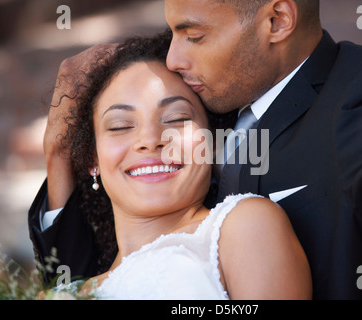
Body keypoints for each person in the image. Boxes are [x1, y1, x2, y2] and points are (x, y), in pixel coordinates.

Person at [29, 0, 362, 299]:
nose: (173, 58)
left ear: (277, 21)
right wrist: (61, 156)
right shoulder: (213, 99)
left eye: (194, 36)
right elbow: (109, 264)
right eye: (173, 33)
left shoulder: (354, 99)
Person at [44, 33, 311, 300]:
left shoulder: (244, 226)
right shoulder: (63, 294)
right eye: (120, 126)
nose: (150, 141)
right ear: (93, 159)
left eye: (176, 119)